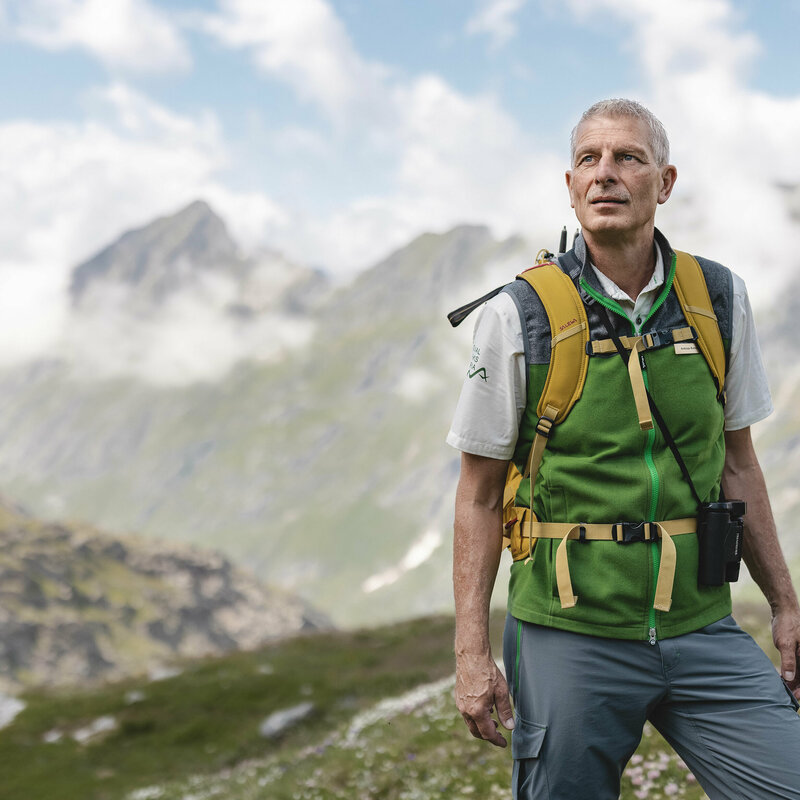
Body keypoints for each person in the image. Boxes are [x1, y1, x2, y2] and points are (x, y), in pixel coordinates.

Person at [447, 98, 800, 799]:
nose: (605, 174)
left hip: (700, 623)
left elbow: (738, 463)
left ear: (663, 183)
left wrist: (786, 605)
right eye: (589, 160)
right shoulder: (516, 315)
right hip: (566, 634)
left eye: (627, 158)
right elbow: (480, 495)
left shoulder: (719, 298)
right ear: (571, 185)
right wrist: (471, 651)